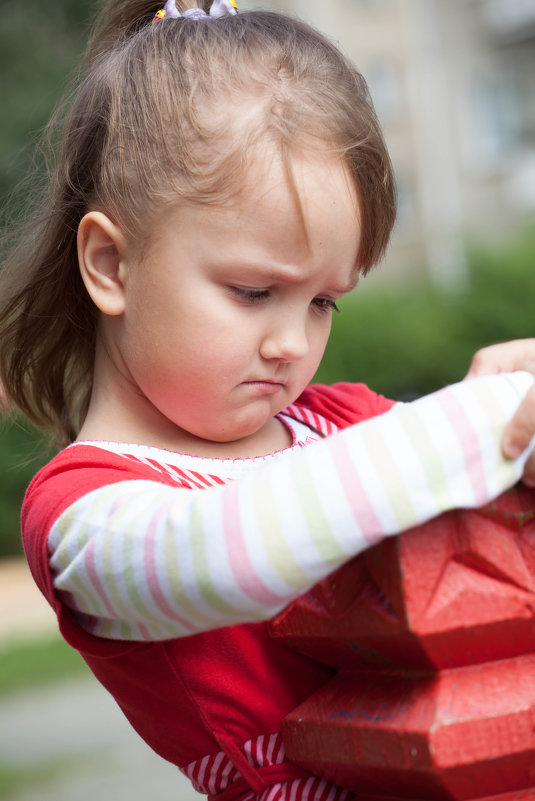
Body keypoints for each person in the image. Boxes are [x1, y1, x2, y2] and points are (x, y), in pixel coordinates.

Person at [1, 2, 535, 799]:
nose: (293, 341)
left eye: (324, 302)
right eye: (254, 291)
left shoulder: (339, 421)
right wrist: (489, 417)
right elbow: (239, 553)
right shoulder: (87, 518)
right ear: (110, 264)